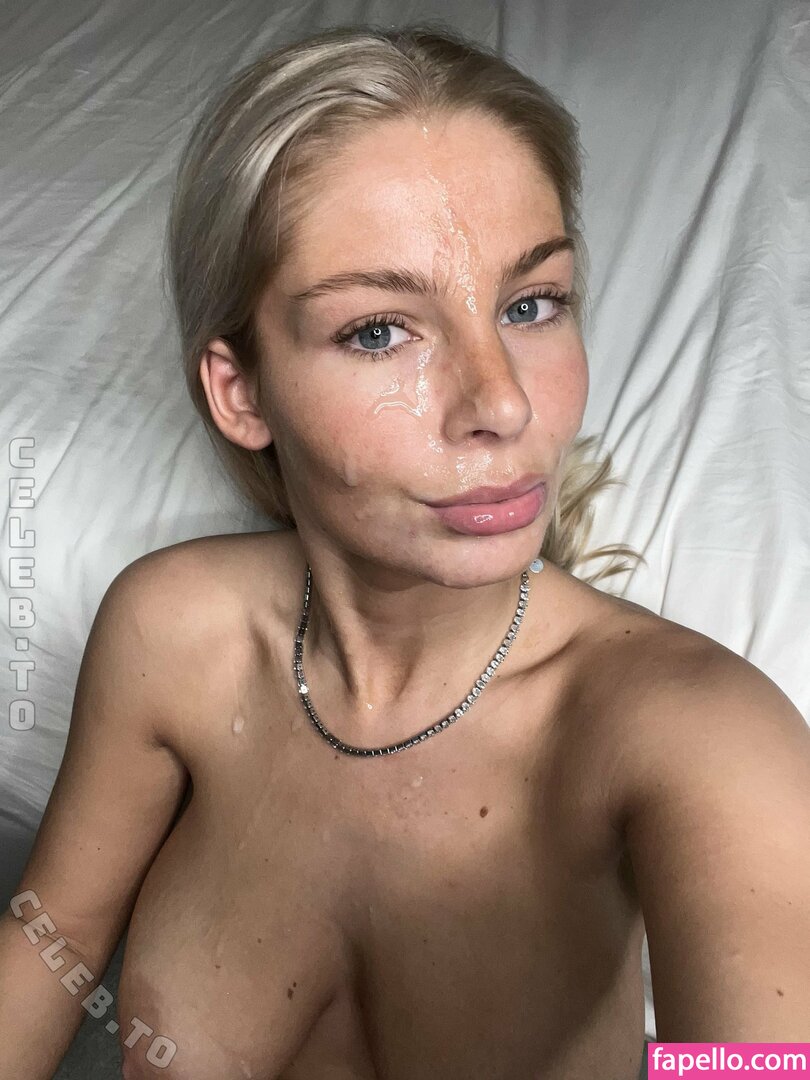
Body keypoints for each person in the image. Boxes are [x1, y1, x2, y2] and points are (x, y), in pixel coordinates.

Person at [2, 21, 809, 1080]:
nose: (502, 403)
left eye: (532, 305)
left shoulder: (698, 739)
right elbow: (53, 940)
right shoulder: (174, 634)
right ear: (241, 392)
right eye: (380, 330)